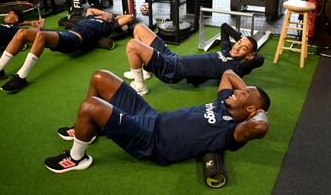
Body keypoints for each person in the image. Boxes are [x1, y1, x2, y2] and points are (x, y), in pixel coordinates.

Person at [44, 69, 270, 173]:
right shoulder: (225, 102)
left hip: (151, 141)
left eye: (242, 94)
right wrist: (245, 94)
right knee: (100, 77)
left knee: (90, 106)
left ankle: (77, 158)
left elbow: (260, 125)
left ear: (251, 109)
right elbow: (228, 73)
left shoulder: (233, 133)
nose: (236, 92)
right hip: (153, 117)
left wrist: (254, 109)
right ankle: (88, 131)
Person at [0, 8, 134, 94]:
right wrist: (103, 13)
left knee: (41, 36)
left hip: (74, 40)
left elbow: (130, 17)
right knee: (22, 33)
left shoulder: (108, 26)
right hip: (66, 35)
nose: (104, 14)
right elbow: (91, 9)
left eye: (108, 15)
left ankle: (21, 77)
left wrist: (113, 16)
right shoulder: (91, 18)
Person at [123, 23, 265, 95]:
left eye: (244, 49)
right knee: (139, 28)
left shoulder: (236, 68)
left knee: (132, 46)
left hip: (174, 69)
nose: (238, 47)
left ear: (249, 56)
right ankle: (142, 72)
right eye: (239, 44)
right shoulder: (226, 50)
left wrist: (250, 52)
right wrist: (240, 39)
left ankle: (140, 87)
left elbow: (260, 60)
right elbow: (224, 27)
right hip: (173, 57)